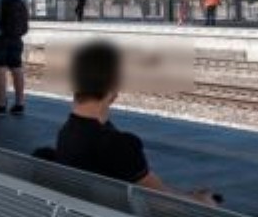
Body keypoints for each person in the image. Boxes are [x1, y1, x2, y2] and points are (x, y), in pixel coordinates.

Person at [55, 40, 217, 204]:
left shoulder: (66, 134)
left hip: (86, 213)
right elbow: (165, 204)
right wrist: (201, 202)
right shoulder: (120, 146)